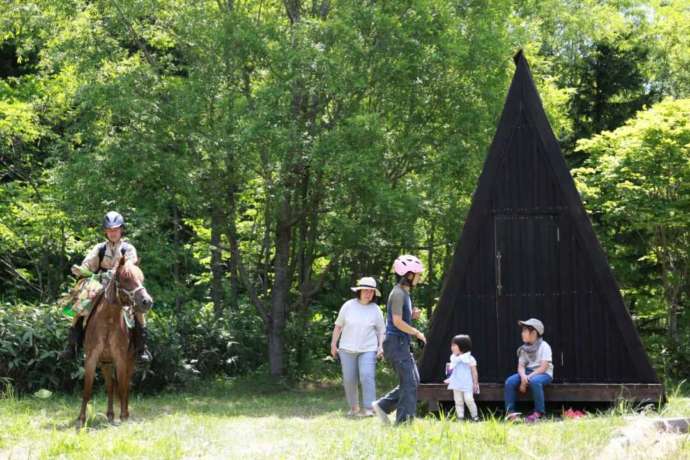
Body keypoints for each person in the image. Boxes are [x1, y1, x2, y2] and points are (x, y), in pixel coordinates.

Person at [59, 211, 152, 363]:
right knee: (79, 307)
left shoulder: (128, 248)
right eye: (109, 230)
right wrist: (81, 269)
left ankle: (142, 349)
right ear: (106, 232)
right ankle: (71, 346)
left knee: (138, 310)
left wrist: (115, 272)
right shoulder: (100, 248)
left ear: (121, 230)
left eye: (115, 230)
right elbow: (89, 262)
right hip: (99, 283)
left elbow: (129, 264)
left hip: (122, 284)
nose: (113, 233)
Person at [372, 255, 426, 425]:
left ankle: (382, 406)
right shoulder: (397, 294)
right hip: (396, 344)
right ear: (409, 275)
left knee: (413, 381)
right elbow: (396, 322)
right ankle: (403, 423)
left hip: (401, 343)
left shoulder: (404, 293)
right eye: (418, 274)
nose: (420, 277)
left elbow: (401, 319)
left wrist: (412, 316)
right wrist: (416, 332)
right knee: (409, 383)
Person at [330, 277, 385, 417]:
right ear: (359, 291)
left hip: (368, 348)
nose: (368, 294)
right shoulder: (348, 306)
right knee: (349, 379)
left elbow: (381, 330)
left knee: (367, 376)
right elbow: (338, 326)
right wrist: (333, 344)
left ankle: (369, 408)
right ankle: (354, 407)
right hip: (346, 349)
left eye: (371, 291)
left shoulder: (375, 309)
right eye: (365, 290)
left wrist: (380, 347)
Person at [504, 318, 553, 423]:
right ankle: (510, 413)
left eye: (525, 331)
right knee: (510, 382)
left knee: (535, 381)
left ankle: (539, 412)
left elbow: (543, 367)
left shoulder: (545, 346)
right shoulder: (524, 349)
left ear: (534, 333)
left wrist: (527, 379)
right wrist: (523, 377)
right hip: (528, 372)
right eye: (522, 331)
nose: (522, 334)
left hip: (544, 373)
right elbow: (521, 367)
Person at [444, 334, 479, 421]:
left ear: (462, 346)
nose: (452, 347)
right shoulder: (453, 358)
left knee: (469, 399)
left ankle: (475, 416)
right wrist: (449, 376)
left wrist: (475, 383)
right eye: (451, 345)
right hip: (456, 383)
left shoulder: (470, 358)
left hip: (467, 384)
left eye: (454, 345)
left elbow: (474, 372)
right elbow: (451, 369)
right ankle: (460, 417)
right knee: (458, 400)